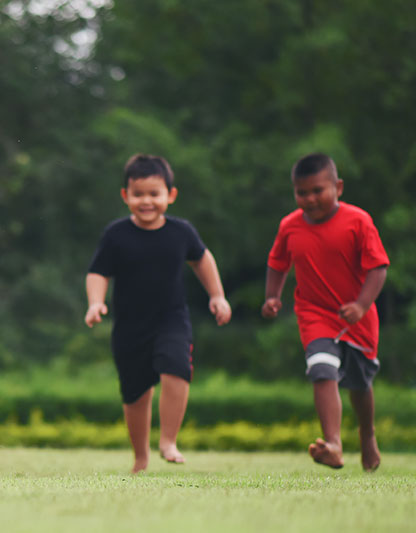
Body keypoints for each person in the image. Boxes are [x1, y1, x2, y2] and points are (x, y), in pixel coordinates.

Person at [85, 154, 232, 473]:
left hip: (171, 319)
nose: (147, 201)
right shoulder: (116, 234)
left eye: (155, 194)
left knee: (176, 368)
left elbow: (203, 261)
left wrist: (217, 296)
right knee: (135, 392)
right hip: (128, 326)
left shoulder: (181, 232)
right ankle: (140, 457)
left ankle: (168, 441)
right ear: (125, 196)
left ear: (171, 195)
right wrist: (95, 303)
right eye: (138, 194)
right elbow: (98, 272)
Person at [262, 153, 388, 471]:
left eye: (318, 190)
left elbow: (378, 268)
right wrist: (272, 297)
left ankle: (367, 435)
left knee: (359, 386)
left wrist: (361, 305)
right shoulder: (289, 226)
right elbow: (278, 263)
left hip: (357, 316)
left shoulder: (358, 221)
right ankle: (333, 444)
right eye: (302, 192)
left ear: (338, 187)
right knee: (322, 369)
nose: (310, 199)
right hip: (314, 313)